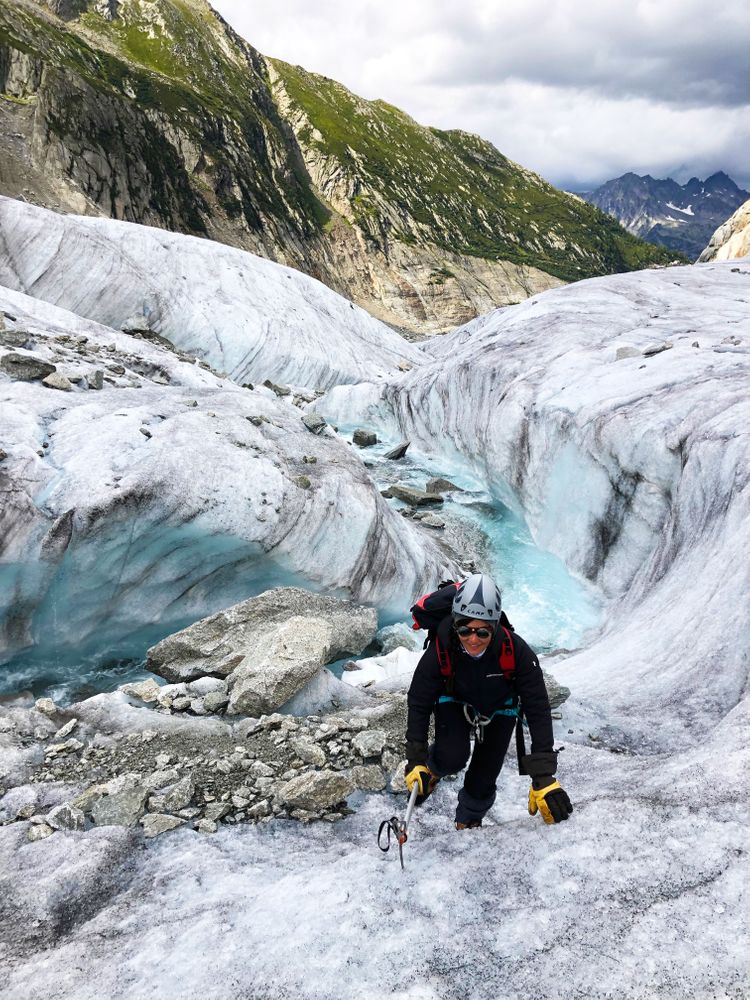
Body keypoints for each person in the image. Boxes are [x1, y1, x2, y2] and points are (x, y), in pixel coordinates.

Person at [404, 573, 572, 829]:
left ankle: (468, 824)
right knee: (451, 757)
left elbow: (537, 708)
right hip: (455, 700)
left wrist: (543, 776)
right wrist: (416, 761)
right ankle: (433, 769)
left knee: (483, 779)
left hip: (500, 708)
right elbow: (419, 701)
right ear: (455, 624)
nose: (473, 639)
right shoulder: (442, 648)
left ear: (495, 626)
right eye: (464, 630)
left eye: (483, 632)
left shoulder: (516, 651)